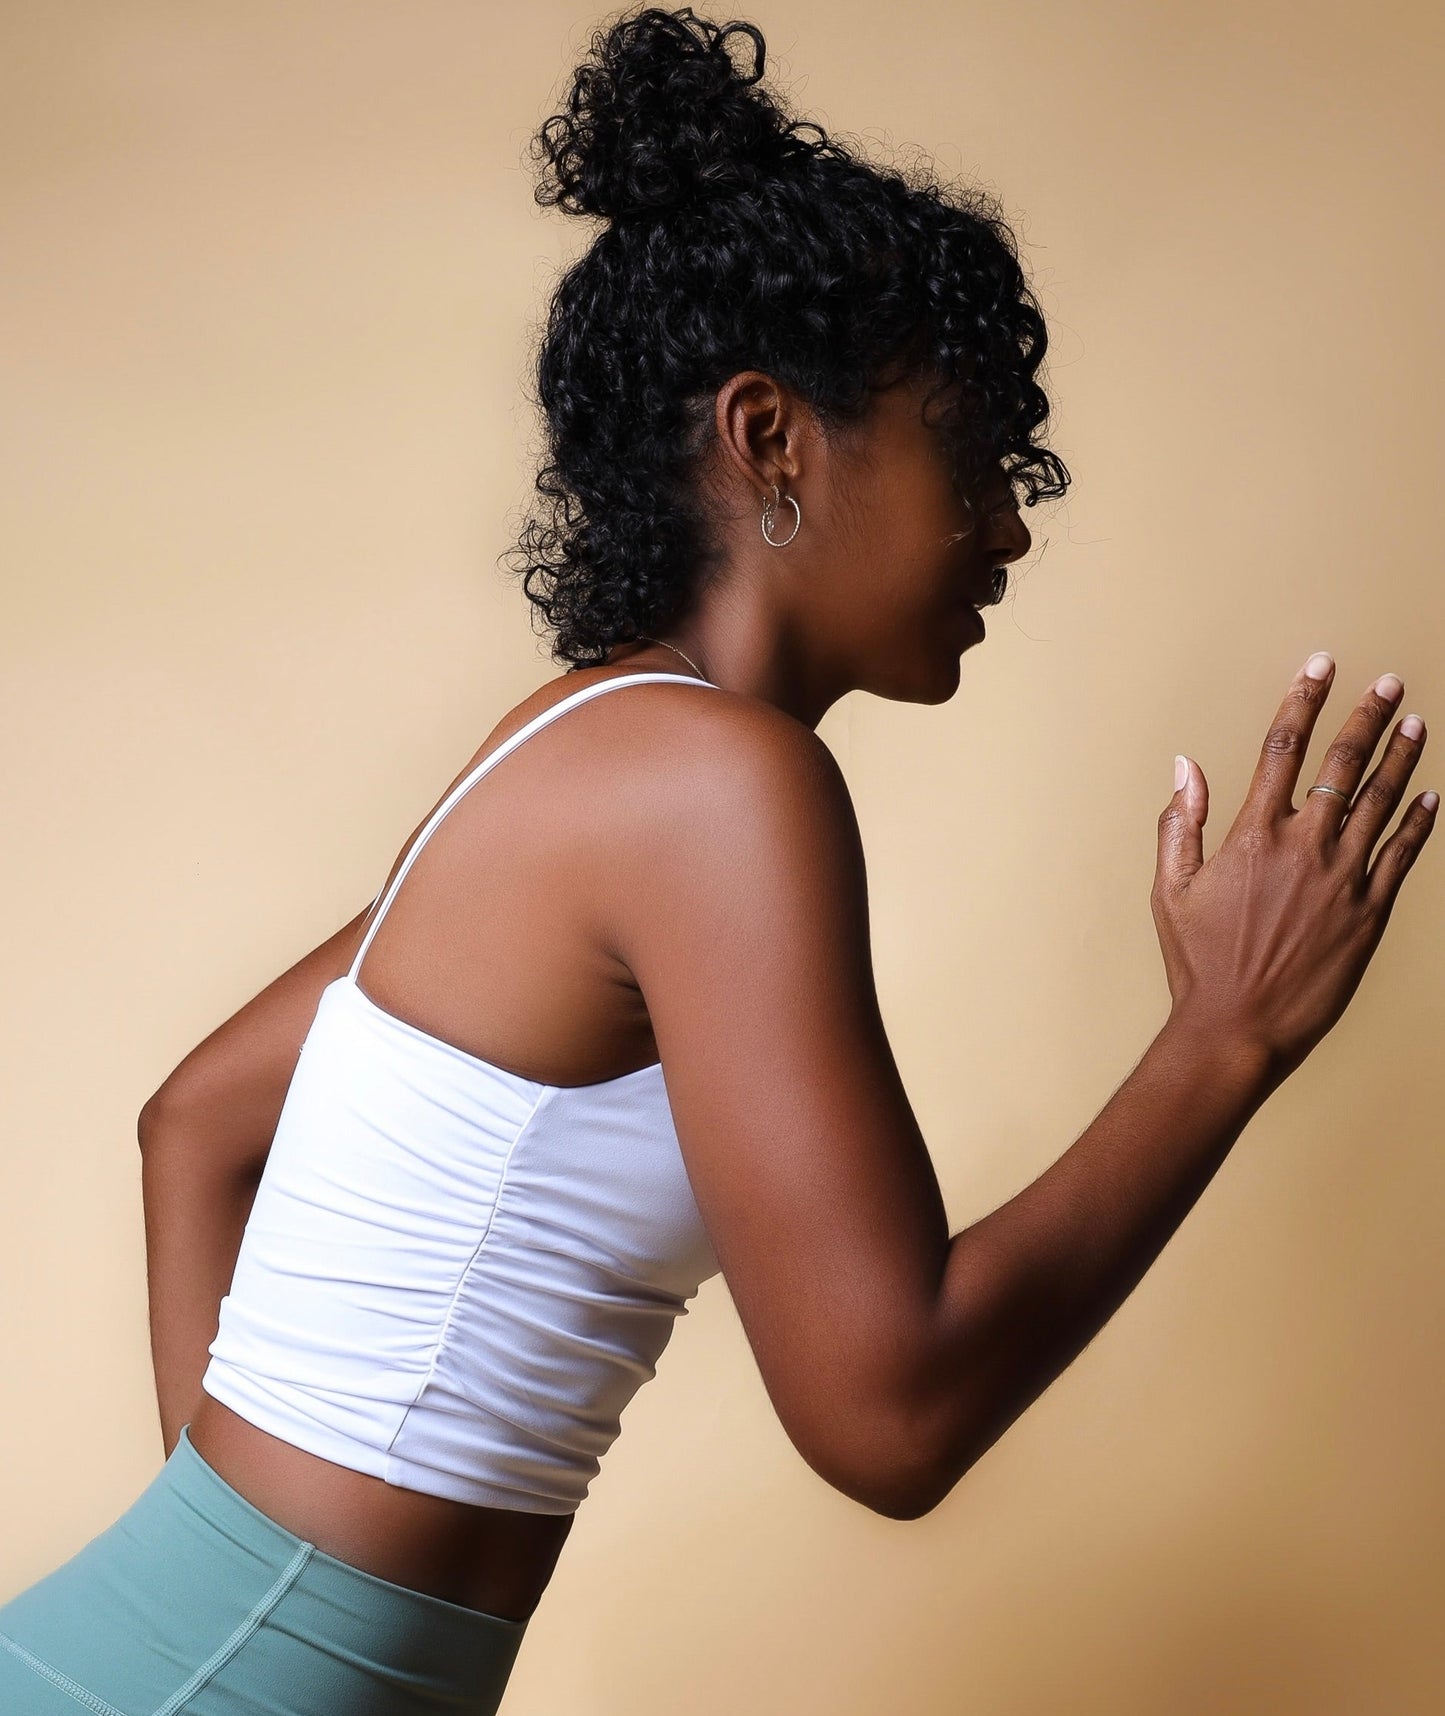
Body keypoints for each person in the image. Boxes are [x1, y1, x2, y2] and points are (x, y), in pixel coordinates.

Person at [1, 5, 1435, 1713]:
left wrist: (248, 1595)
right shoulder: (715, 784)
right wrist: (1225, 1038)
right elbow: (887, 1418)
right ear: (772, 439)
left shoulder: (571, 750)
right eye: (971, 452)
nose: (1008, 522)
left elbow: (196, 1120)